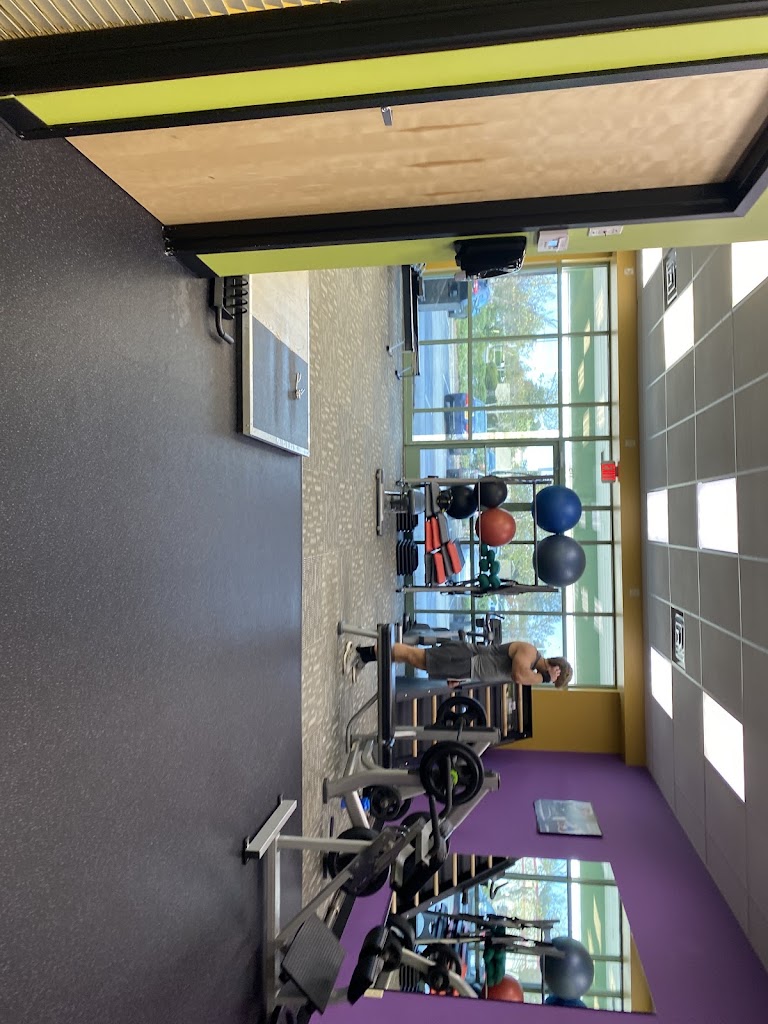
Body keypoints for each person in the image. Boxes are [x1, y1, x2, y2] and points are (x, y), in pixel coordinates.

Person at [343, 637, 572, 689]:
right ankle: (360, 652)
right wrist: (544, 677)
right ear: (556, 669)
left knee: (415, 660)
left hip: (465, 669)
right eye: (554, 679)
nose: (548, 682)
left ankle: (366, 656)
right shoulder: (530, 652)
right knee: (414, 656)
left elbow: (492, 672)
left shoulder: (531, 666)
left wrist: (463, 680)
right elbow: (518, 676)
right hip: (465, 658)